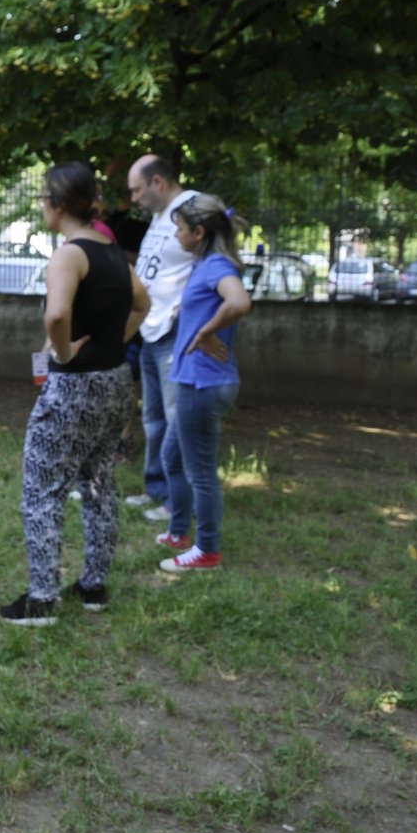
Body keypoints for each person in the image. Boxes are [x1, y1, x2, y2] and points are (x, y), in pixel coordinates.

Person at [2, 161, 150, 626]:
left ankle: (42, 598)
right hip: (114, 382)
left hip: (74, 388)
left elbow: (55, 317)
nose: (42, 206)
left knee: (42, 489)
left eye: (43, 199)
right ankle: (93, 586)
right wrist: (114, 342)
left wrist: (63, 354)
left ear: (59, 204)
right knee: (99, 484)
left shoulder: (69, 254)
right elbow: (143, 303)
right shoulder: (110, 251)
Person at [156, 194, 252, 572]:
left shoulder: (216, 266)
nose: (177, 234)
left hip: (203, 384)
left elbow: (239, 302)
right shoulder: (206, 265)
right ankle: (180, 531)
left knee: (200, 472)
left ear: (199, 232)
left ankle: (207, 550)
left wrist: (206, 331)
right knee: (171, 456)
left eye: (180, 228)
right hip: (194, 380)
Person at [126, 154, 200, 521]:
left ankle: (177, 500)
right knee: (153, 419)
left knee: (175, 419)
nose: (134, 199)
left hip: (173, 332)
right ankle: (156, 488)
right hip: (150, 330)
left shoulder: (193, 209)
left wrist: (186, 315)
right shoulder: (158, 216)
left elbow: (212, 266)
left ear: (157, 182)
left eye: (137, 190)